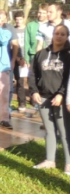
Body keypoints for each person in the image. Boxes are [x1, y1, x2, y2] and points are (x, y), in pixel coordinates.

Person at [29, 25, 70, 173]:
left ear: (67, 37)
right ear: (52, 35)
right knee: (49, 130)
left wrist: (61, 94)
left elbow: (68, 79)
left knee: (64, 131)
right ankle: (50, 160)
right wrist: (34, 92)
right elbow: (32, 74)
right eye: (56, 33)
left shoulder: (68, 55)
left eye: (63, 34)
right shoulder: (41, 54)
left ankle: (69, 163)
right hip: (43, 98)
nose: (59, 36)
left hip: (60, 99)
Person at [12, 10, 29, 113]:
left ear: (24, 19)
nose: (18, 21)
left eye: (20, 19)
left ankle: (34, 101)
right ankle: (22, 103)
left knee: (32, 81)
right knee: (20, 82)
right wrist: (18, 59)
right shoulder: (13, 30)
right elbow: (11, 46)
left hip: (28, 58)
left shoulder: (28, 29)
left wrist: (27, 59)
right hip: (18, 59)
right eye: (16, 19)